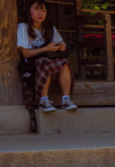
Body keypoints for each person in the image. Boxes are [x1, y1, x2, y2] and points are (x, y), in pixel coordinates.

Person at [17, 0, 76, 130]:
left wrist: (60, 46)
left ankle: (66, 99)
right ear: (29, 11)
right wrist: (46, 49)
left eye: (43, 10)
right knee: (44, 63)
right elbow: (25, 53)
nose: (40, 13)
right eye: (36, 9)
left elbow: (62, 45)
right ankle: (44, 100)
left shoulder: (49, 28)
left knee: (64, 63)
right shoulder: (23, 27)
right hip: (31, 66)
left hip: (49, 63)